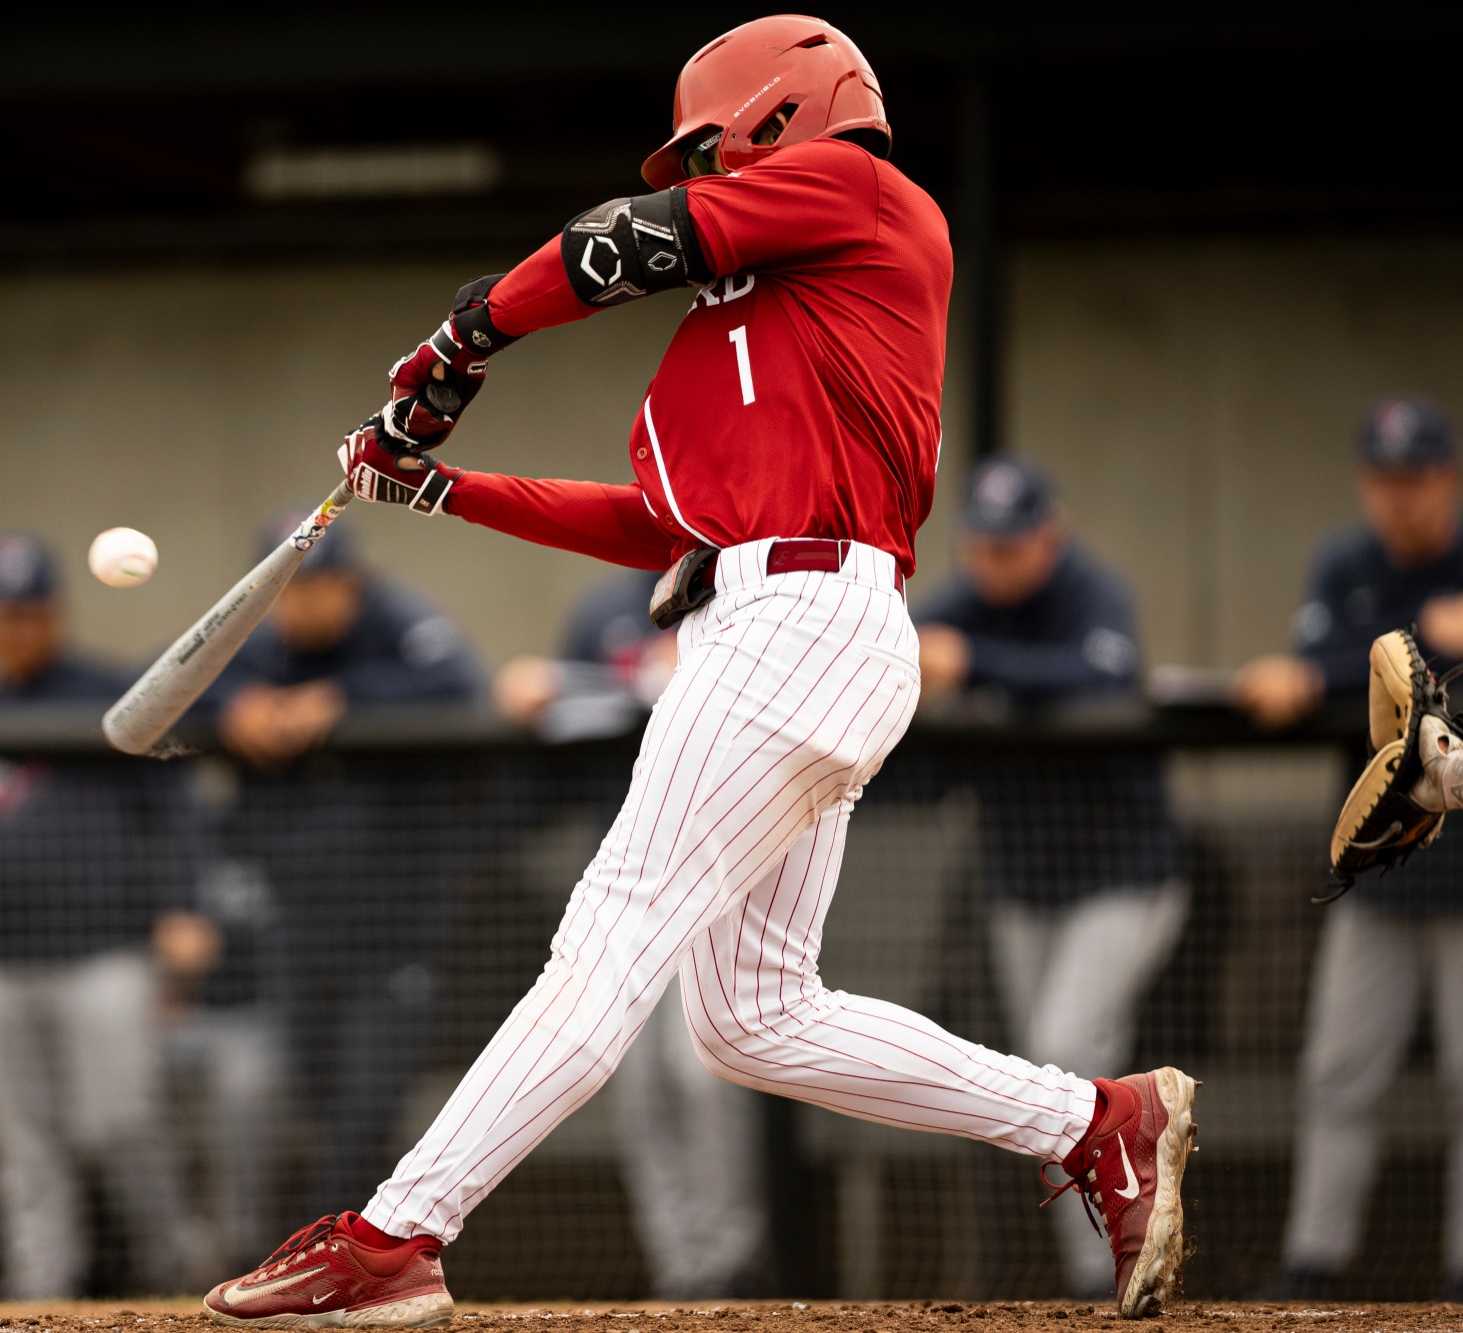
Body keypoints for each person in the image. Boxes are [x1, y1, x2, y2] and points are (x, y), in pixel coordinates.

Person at [204, 17, 1197, 1327]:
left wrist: (461, 342)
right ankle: (1098, 1121)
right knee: (754, 1016)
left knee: (609, 932)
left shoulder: (861, 189)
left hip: (799, 618)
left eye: (710, 146)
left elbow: (620, 244)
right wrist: (437, 485)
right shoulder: (776, 322)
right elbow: (660, 528)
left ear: (780, 114)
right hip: (781, 615)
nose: (699, 175)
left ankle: (397, 1232)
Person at [0, 533, 218, 1297]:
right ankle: (41, 1292)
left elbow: (176, 805)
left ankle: (177, 1266)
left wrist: (184, 904)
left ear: (56, 613)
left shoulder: (109, 692)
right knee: (23, 1143)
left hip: (103, 953)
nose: (15, 626)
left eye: (29, 611)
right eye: (1, 612)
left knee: (120, 1121)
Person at [915, 457, 1188, 1300]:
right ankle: (1099, 1268)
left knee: (1070, 1045)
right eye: (981, 547)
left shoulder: (1090, 591)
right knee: (1049, 1065)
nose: (994, 562)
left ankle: (1100, 1269)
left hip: (1124, 876)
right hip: (1021, 881)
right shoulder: (959, 605)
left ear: (1049, 535)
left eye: (1012, 545)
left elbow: (1102, 672)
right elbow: (904, 646)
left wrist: (974, 666)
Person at [1234, 396, 1463, 1301]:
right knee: (1338, 1069)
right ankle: (1312, 1264)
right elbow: (1318, 662)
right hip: (1381, 863)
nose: (1398, 495)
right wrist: (1425, 639)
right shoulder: (1345, 561)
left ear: (1446, 477)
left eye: (1415, 477)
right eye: (1383, 477)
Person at [498, 570, 769, 1299]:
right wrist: (540, 694)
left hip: (717, 865)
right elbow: (559, 738)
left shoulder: (746, 583)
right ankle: (681, 1266)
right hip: (626, 873)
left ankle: (732, 1261)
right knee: (638, 1084)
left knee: (701, 1071)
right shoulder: (605, 606)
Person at [205, 514, 482, 1225]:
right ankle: (341, 1248)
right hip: (302, 922)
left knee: (368, 1103)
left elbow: (461, 684)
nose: (296, 604)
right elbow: (169, 682)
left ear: (349, 584)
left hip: (397, 926)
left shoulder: (397, 622)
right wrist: (231, 707)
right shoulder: (257, 649)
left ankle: (332, 1249)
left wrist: (343, 698)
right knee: (317, 1091)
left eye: (312, 585)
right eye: (283, 589)